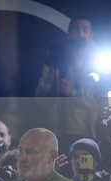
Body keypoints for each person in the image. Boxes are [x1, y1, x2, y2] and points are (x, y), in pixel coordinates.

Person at [35, 17, 101, 145]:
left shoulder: (100, 63)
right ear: (69, 34)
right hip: (60, 134)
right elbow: (40, 100)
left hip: (91, 133)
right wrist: (50, 76)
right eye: (76, 30)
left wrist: (73, 92)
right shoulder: (57, 61)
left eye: (85, 30)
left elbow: (102, 100)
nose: (80, 34)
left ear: (91, 35)